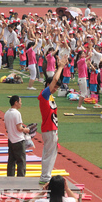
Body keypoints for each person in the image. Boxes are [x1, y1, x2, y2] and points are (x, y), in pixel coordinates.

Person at [39, 56, 68, 185]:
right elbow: (55, 79)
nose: (55, 89)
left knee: (50, 153)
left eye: (57, 88)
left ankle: (46, 175)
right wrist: (60, 67)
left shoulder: (49, 97)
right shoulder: (45, 94)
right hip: (49, 128)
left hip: (52, 128)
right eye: (54, 87)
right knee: (49, 154)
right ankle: (45, 177)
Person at [4, 95, 30, 177]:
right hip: (18, 140)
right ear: (16, 102)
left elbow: (6, 127)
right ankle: (21, 179)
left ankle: (10, 178)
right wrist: (25, 129)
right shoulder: (17, 113)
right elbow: (19, 128)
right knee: (21, 161)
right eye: (20, 102)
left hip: (10, 139)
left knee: (11, 160)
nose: (21, 103)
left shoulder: (7, 113)